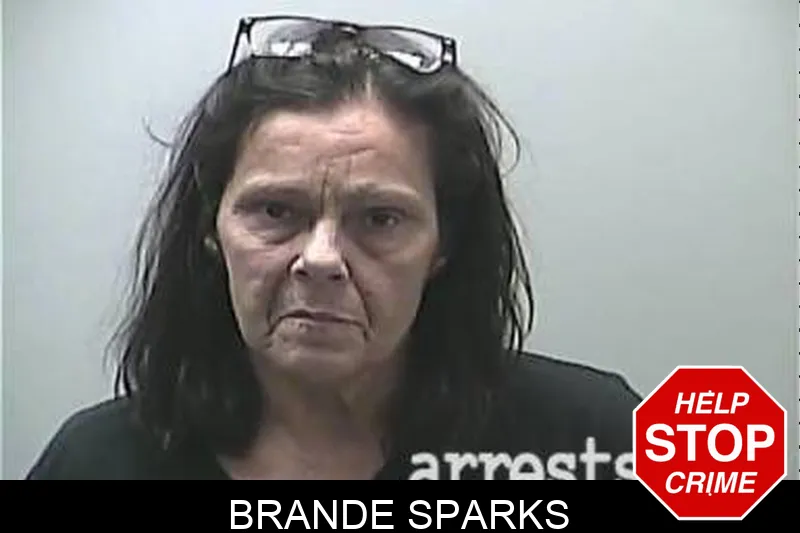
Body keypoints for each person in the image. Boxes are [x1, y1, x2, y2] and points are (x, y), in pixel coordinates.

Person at [27, 15, 642, 480]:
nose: (320, 259)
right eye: (275, 211)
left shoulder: (595, 438)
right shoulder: (96, 461)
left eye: (380, 219)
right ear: (211, 228)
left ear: (443, 245)